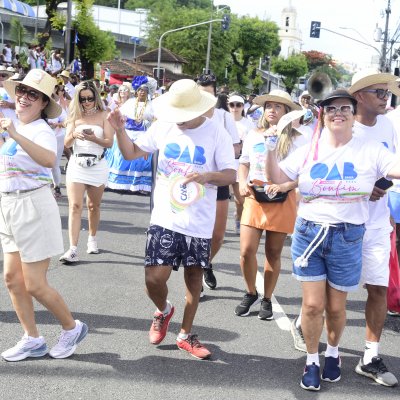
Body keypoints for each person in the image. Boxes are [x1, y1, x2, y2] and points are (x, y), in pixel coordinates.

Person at [265, 88, 400, 391]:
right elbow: (275, 177)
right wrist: (270, 148)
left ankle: (334, 353)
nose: (338, 113)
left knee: (337, 309)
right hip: (310, 231)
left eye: (345, 109)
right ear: (323, 116)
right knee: (313, 306)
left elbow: (394, 169)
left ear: (354, 117)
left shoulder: (369, 149)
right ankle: (312, 359)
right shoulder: (309, 149)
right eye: (331, 109)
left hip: (348, 235)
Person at [107, 79, 236, 360]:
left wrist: (207, 176)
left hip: (199, 221)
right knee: (154, 278)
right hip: (165, 217)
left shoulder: (217, 133)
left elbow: (231, 174)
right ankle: (164, 310)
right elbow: (130, 153)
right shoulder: (164, 125)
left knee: (194, 280)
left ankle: (185, 334)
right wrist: (119, 131)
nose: (179, 121)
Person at [0, 69, 88, 362]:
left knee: (34, 283)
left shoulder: (40, 130)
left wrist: (12, 134)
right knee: (12, 278)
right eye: (22, 91)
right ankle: (32, 339)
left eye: (32, 94)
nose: (24, 97)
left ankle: (71, 327)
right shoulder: (15, 126)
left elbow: (50, 159)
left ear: (43, 103)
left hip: (33, 205)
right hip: (9, 205)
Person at [348, 69, 399, 387]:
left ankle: (370, 356)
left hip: (378, 221)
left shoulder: (389, 124)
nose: (385, 97)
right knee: (330, 293)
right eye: (378, 92)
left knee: (378, 287)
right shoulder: (339, 125)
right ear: (359, 96)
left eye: (387, 92)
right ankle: (315, 333)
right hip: (342, 219)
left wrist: (381, 185)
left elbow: (392, 163)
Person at [235, 90, 302, 321]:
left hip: (282, 198)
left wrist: (285, 186)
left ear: (286, 113)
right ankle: (250, 291)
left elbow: (304, 175)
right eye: (268, 106)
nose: (271, 110)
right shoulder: (254, 135)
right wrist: (242, 182)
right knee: (246, 251)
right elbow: (244, 164)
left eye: (278, 107)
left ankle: (267, 299)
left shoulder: (297, 138)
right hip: (255, 194)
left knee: (273, 253)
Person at [59, 80, 114, 263]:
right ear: (78, 99)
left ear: (95, 97)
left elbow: (109, 142)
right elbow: (66, 143)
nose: (87, 102)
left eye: (90, 98)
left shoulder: (104, 115)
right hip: (76, 163)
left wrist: (93, 138)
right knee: (75, 206)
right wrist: (74, 134)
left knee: (93, 206)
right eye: (83, 99)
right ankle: (72, 249)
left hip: (98, 164)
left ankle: (92, 238)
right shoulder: (73, 116)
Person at [197, 73, 241, 291]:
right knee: (193, 232)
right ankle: (195, 273)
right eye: (201, 93)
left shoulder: (223, 117)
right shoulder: (187, 116)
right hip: (192, 179)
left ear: (216, 96)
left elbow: (236, 147)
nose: (205, 98)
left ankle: (205, 263)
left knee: (218, 235)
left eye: (209, 94)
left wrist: (219, 151)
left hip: (218, 179)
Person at [106, 83, 154, 193]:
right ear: (136, 92)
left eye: (145, 90)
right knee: (120, 154)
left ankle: (139, 185)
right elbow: (120, 115)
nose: (142, 92)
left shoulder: (151, 105)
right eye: (140, 90)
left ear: (148, 93)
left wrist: (144, 123)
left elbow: (154, 120)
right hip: (127, 132)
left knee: (140, 159)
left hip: (142, 134)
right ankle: (117, 182)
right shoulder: (130, 102)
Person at [227, 93, 255, 234]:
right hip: (224, 162)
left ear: (243, 107)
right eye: (232, 105)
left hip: (240, 163)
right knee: (219, 197)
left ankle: (239, 218)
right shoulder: (223, 121)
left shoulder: (248, 124)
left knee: (240, 199)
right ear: (228, 106)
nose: (235, 108)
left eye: (238, 105)